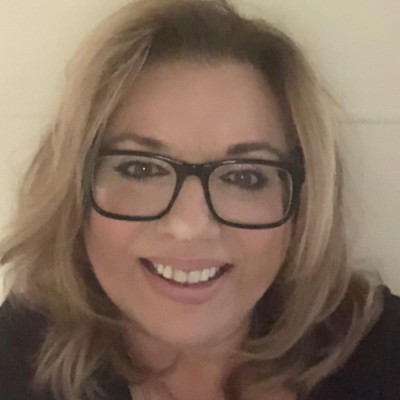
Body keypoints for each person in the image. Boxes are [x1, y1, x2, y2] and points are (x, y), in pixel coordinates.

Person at [0, 0, 399, 399]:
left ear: (302, 204)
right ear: (74, 190)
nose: (189, 226)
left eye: (244, 176)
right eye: (141, 169)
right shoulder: (16, 360)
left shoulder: (383, 353)